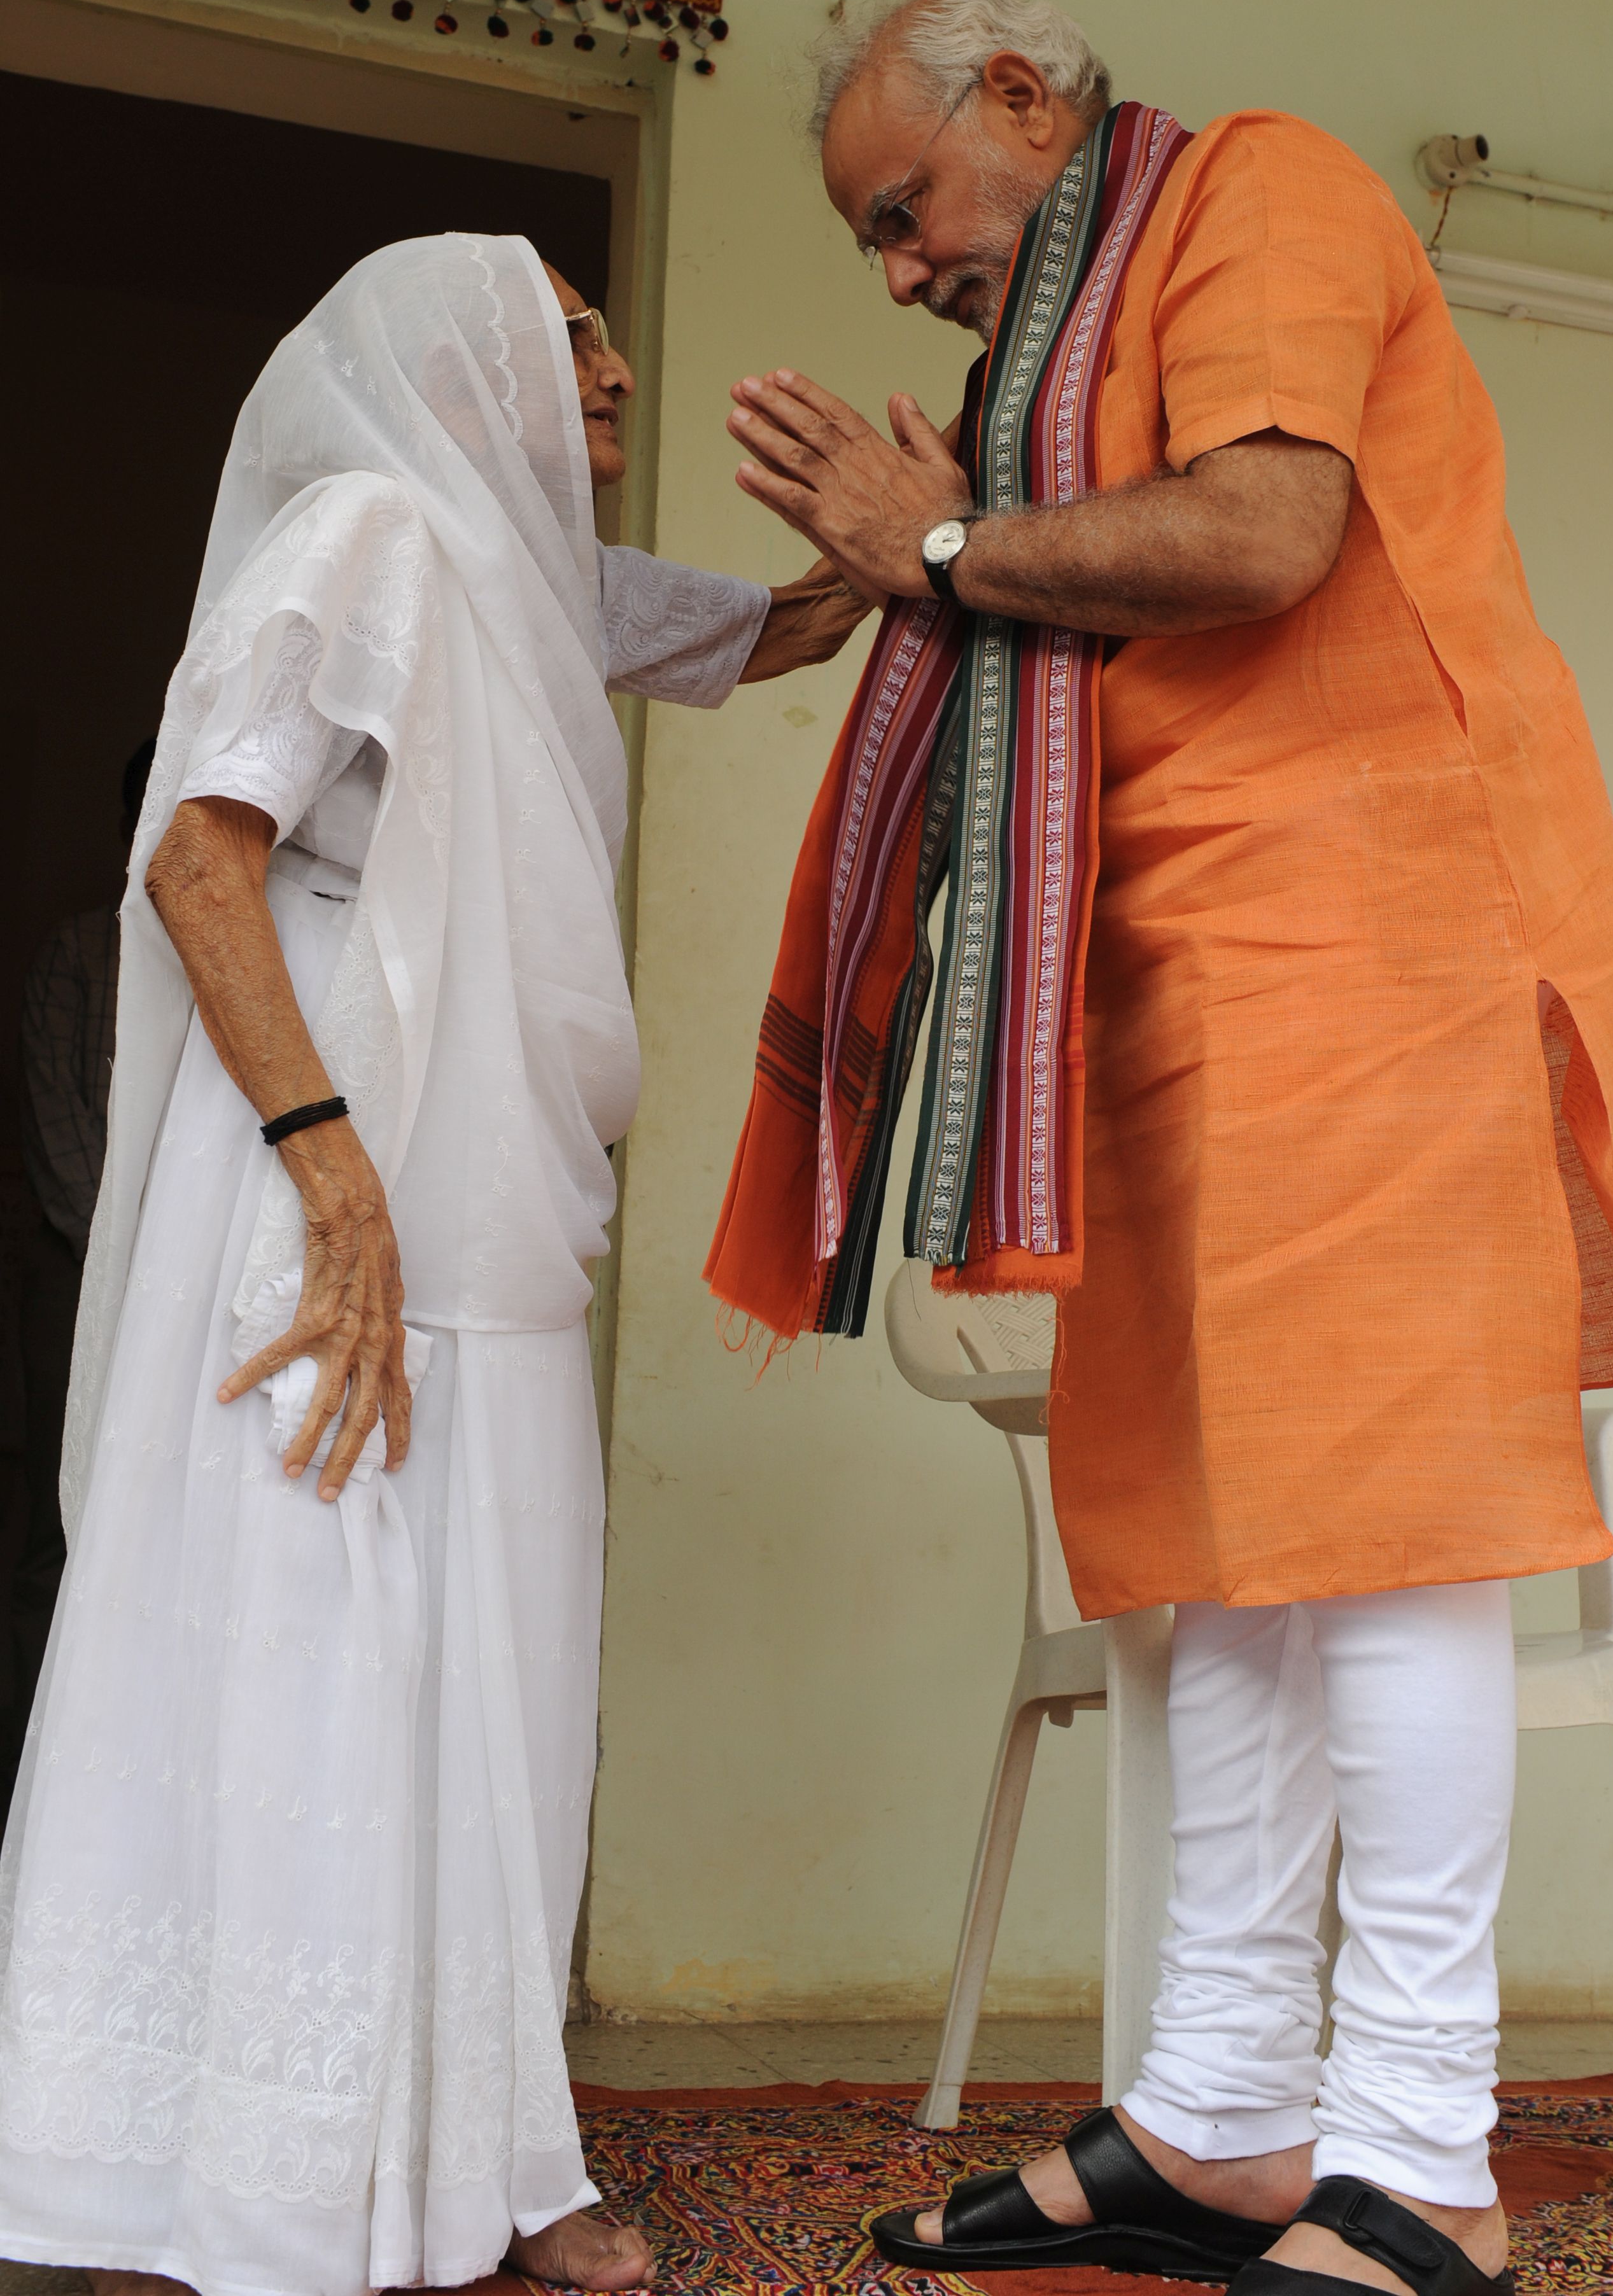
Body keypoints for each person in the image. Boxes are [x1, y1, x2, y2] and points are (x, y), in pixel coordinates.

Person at [706, 0, 1613, 2296]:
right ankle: (1224, 2115)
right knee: (1221, 1562)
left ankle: (1420, 2151)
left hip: (1379, 939)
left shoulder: (1256, 185)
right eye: (870, 243)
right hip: (1173, 983)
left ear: (1022, 96)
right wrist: (820, 580)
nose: (896, 270)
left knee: (1380, 1540)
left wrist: (948, 547)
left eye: (906, 210)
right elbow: (943, 581)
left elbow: (1265, 532)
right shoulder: (1042, 350)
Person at [0, 232, 864, 2296]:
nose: (623, 368)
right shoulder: (365, 532)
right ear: (447, 356)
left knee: (505, 1644)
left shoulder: (522, 578)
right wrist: (328, 1161)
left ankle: (498, 2151)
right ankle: (198, 2167)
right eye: (573, 336)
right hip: (326, 1138)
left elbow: (774, 633)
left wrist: (910, 531)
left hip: (478, 1181)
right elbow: (199, 852)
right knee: (304, 1622)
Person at [3, 740, 156, 1818]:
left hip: (218, 1308)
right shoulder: (80, 956)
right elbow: (63, 1147)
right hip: (86, 1278)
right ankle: (38, 1790)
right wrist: (147, 1271)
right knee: (66, 1530)